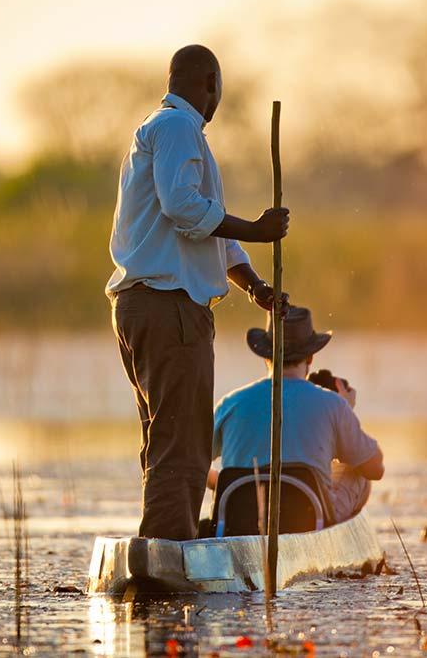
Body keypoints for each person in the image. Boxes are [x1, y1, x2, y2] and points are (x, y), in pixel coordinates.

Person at [107, 44, 290, 541]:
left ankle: (165, 546)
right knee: (183, 442)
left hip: (150, 305)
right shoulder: (177, 126)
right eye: (220, 88)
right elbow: (184, 209)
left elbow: (212, 232)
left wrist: (254, 285)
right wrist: (259, 228)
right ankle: (169, 552)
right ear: (211, 83)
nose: (219, 98)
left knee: (166, 436)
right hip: (169, 308)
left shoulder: (173, 132)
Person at [210, 306, 385, 524]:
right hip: (308, 522)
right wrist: (346, 410)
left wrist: (226, 484)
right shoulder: (334, 405)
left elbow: (194, 465)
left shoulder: (230, 403)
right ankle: (335, 541)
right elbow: (375, 468)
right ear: (310, 358)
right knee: (356, 471)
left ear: (266, 356)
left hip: (239, 522)